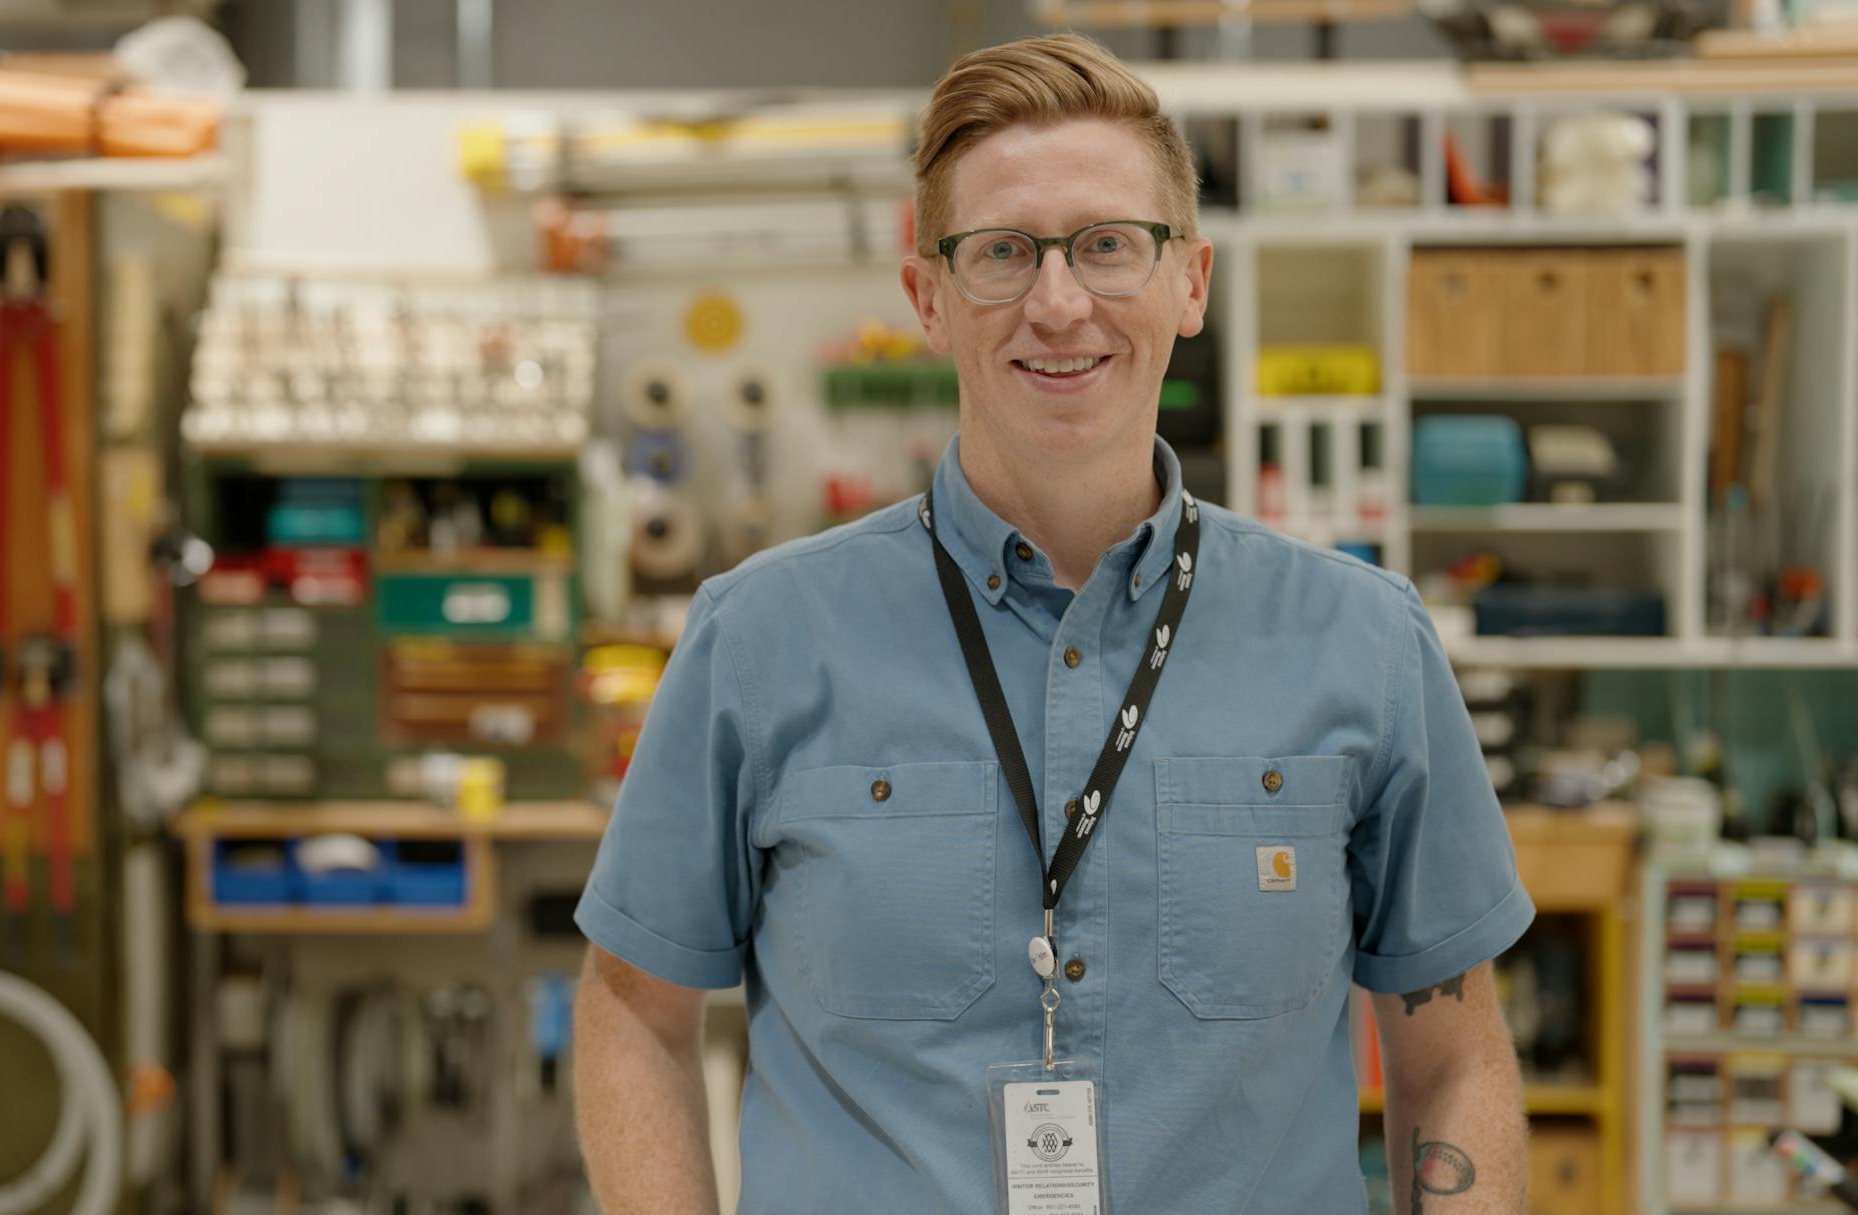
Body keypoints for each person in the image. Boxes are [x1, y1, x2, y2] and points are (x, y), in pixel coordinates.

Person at [573, 32, 1533, 1215]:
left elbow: (1454, 1052)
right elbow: (633, 1013)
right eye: (1003, 254)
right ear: (930, 297)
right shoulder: (757, 641)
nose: (1060, 302)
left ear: (1192, 282)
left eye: (1108, 246)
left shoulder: (1366, 645)